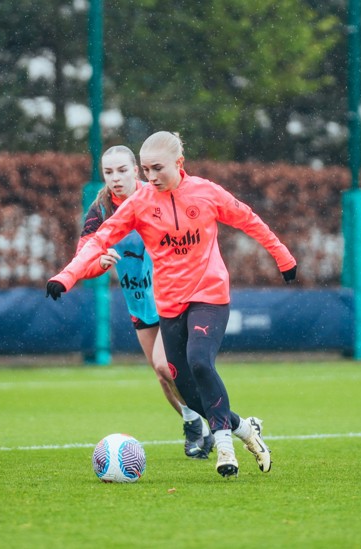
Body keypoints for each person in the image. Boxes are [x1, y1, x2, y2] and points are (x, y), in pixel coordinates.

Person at [47, 131, 297, 478]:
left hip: (208, 295)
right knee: (179, 382)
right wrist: (67, 276)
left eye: (154, 169)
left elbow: (248, 219)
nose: (149, 178)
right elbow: (98, 241)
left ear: (179, 164)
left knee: (199, 360)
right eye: (146, 170)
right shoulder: (127, 204)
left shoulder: (206, 192)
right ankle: (243, 429)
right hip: (163, 304)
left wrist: (283, 258)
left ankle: (224, 447)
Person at [78, 145, 215, 459]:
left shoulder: (155, 197)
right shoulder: (100, 209)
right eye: (108, 172)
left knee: (164, 365)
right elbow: (83, 256)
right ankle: (196, 423)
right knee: (163, 375)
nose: (115, 178)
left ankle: (215, 423)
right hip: (138, 301)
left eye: (122, 170)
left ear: (135, 171)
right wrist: (98, 262)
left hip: (171, 298)